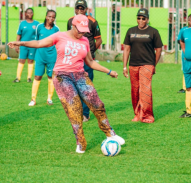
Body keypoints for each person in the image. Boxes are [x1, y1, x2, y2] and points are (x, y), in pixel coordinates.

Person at [8, 14, 125, 153]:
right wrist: (21, 43)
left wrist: (108, 71)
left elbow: (91, 62)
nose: (82, 32)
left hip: (80, 75)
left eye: (84, 30)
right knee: (75, 109)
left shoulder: (85, 40)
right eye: (79, 29)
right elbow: (39, 43)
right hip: (62, 76)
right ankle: (80, 141)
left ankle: (109, 132)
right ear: (73, 26)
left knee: (97, 104)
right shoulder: (59, 36)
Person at [123, 8, 163, 123]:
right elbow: (126, 49)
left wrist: (153, 65)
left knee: (145, 90)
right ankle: (137, 114)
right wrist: (124, 66)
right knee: (135, 90)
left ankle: (147, 116)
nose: (141, 20)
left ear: (147, 19)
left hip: (147, 64)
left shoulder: (153, 32)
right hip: (133, 65)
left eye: (143, 18)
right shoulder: (131, 31)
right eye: (139, 18)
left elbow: (159, 49)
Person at [67, 0, 102, 122]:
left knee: (86, 87)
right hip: (74, 60)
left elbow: (98, 40)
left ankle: (85, 114)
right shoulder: (71, 21)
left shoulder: (92, 22)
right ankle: (76, 112)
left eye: (82, 8)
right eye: (78, 8)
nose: (80, 10)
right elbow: (69, 38)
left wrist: (90, 54)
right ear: (75, 9)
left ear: (86, 9)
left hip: (87, 60)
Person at [29, 10, 59, 106]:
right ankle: (33, 99)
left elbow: (58, 43)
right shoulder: (39, 27)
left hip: (52, 56)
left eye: (53, 17)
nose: (51, 18)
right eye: (49, 16)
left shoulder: (56, 29)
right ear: (46, 16)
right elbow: (37, 41)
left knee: (51, 76)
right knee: (37, 76)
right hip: (40, 56)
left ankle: (49, 99)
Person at [13, 8, 39, 83]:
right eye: (28, 13)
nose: (30, 14)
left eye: (31, 12)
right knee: (21, 60)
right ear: (25, 14)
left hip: (32, 46)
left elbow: (39, 35)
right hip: (23, 45)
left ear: (33, 14)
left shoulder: (36, 24)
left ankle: (29, 78)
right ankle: (18, 78)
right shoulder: (22, 23)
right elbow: (19, 35)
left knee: (31, 60)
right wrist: (16, 45)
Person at [177, 14, 191, 94]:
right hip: (185, 53)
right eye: (189, 20)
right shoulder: (183, 30)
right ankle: (185, 87)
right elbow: (179, 40)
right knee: (186, 69)